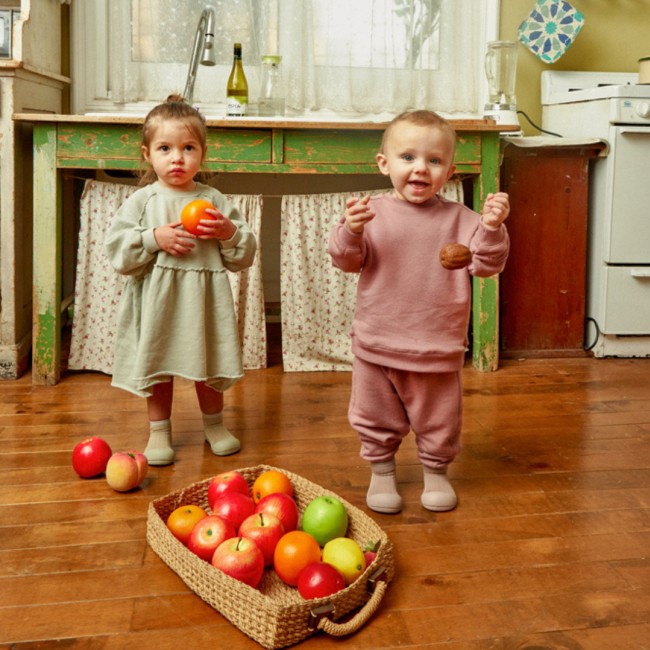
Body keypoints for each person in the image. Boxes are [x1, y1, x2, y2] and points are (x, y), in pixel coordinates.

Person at [328, 110, 510, 514]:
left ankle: (436, 472)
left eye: (434, 160)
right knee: (375, 414)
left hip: (437, 346)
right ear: (384, 164)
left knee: (439, 418)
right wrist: (351, 230)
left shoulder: (464, 220)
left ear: (450, 171)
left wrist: (494, 227)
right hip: (377, 342)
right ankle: (382, 472)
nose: (420, 169)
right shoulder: (369, 214)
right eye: (407, 157)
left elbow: (487, 265)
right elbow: (344, 260)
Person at [105, 95, 257, 466]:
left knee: (209, 364)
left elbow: (244, 253)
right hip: (159, 303)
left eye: (188, 147)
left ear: (202, 154)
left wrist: (227, 233)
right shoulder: (142, 201)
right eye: (165, 148)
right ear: (147, 154)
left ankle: (215, 425)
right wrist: (153, 238)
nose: (177, 157)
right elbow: (119, 253)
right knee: (158, 367)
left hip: (202, 301)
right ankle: (159, 431)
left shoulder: (214, 200)